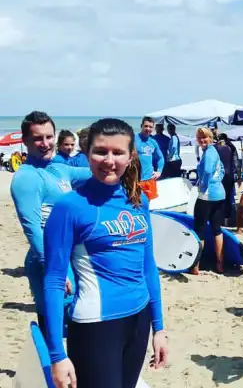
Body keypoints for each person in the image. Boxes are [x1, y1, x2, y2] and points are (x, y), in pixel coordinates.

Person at [42, 118, 167, 388]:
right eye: (100, 151)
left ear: (130, 155)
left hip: (139, 320)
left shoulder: (138, 200)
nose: (108, 160)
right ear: (87, 153)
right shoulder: (70, 208)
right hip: (96, 325)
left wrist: (159, 328)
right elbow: (53, 281)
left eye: (117, 152)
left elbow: (148, 266)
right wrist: (57, 356)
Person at [10, 111, 91, 337]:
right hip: (49, 260)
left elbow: (91, 173)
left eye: (48, 137)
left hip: (68, 256)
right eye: (37, 138)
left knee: (75, 325)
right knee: (54, 330)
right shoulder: (27, 177)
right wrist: (54, 269)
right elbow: (32, 227)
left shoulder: (57, 168)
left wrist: (114, 157)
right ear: (24, 141)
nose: (45, 144)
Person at [192, 127, 226, 275]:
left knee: (199, 229)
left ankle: (195, 266)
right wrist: (216, 182)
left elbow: (206, 172)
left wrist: (203, 186)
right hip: (219, 195)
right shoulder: (214, 152)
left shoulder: (209, 153)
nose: (202, 140)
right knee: (216, 229)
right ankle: (219, 264)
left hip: (207, 196)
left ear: (211, 138)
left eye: (204, 137)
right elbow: (223, 171)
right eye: (199, 138)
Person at [135, 117, 165, 201]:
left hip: (149, 179)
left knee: (147, 204)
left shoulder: (153, 142)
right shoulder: (133, 139)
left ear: (153, 128)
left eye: (150, 127)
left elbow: (161, 158)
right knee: (134, 204)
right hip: (135, 179)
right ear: (141, 126)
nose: (148, 129)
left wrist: (159, 171)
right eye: (146, 126)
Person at [216, 133, 237, 224]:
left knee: (219, 197)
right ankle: (226, 219)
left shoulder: (215, 148)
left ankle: (220, 218)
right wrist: (238, 175)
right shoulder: (231, 147)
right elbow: (236, 163)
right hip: (229, 176)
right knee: (228, 197)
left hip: (219, 176)